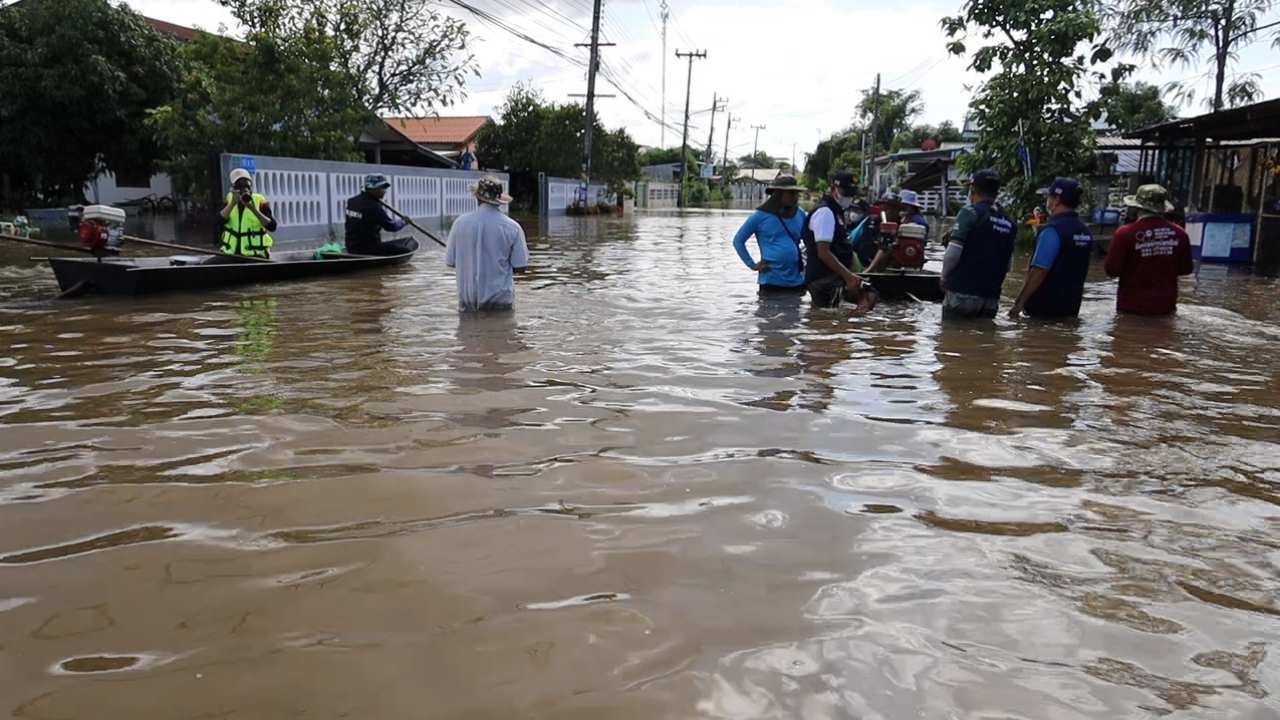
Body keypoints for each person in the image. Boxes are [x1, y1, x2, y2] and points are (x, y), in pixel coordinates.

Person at [1008, 177, 1095, 319]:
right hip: (1071, 309)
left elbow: (1039, 271)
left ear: (1056, 200)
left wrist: (1018, 304)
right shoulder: (1085, 232)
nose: (1047, 201)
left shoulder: (1052, 231)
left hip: (1042, 311)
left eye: (1048, 197)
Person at [1104, 184, 1193, 315]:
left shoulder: (1125, 233)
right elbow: (1186, 269)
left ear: (1137, 207)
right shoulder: (1180, 233)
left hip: (1131, 307)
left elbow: (1112, 270)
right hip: (1165, 307)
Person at [940, 168, 1017, 319]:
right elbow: (1008, 265)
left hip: (962, 294)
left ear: (973, 189)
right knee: (985, 338)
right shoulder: (1009, 221)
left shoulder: (970, 212)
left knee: (951, 339)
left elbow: (953, 252)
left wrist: (944, 277)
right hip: (991, 299)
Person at [445, 176, 530, 312]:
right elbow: (521, 267)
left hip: (467, 302)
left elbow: (450, 262)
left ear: (477, 198)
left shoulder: (459, 224)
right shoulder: (512, 227)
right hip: (500, 301)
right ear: (499, 200)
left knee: (467, 332)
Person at [802, 171, 874, 310]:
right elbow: (824, 252)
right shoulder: (825, 213)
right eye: (845, 192)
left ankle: (848, 329)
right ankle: (851, 329)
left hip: (833, 276)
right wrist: (849, 277)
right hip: (823, 278)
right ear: (833, 189)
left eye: (851, 193)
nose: (849, 197)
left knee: (867, 296)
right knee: (867, 297)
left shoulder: (836, 212)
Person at [732, 174, 807, 294]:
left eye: (796, 193)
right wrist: (752, 265)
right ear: (778, 194)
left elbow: (811, 239)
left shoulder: (800, 214)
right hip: (771, 281)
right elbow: (738, 241)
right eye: (791, 193)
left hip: (797, 281)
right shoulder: (759, 216)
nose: (795, 197)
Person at [344, 174, 415, 256]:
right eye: (381, 188)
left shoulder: (352, 201)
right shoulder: (374, 207)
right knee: (407, 251)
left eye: (384, 188)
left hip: (350, 247)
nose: (384, 191)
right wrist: (404, 222)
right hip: (367, 249)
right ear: (372, 189)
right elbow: (391, 227)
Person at [220, 168, 277, 258]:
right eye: (239, 186)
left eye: (246, 185)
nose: (243, 189)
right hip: (231, 254)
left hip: (255, 255)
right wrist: (232, 204)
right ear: (233, 188)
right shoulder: (230, 199)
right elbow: (218, 222)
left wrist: (253, 209)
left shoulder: (259, 200)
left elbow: (272, 226)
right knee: (206, 266)